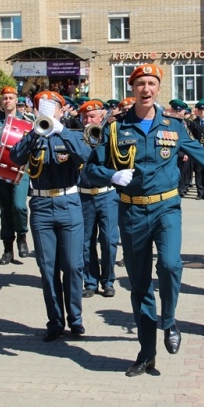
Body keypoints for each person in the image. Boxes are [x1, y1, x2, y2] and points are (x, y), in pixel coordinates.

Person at [84, 63, 204, 377]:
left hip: (167, 208)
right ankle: (147, 353)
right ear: (132, 88)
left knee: (171, 265)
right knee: (140, 284)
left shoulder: (174, 126)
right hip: (130, 211)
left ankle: (169, 320)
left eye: (151, 83)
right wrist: (111, 174)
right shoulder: (116, 128)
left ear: (159, 88)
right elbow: (90, 170)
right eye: (140, 83)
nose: (146, 89)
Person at [10, 91, 91, 341]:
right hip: (42, 204)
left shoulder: (72, 134)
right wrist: (35, 132)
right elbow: (15, 157)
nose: (46, 111)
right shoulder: (32, 136)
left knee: (73, 265)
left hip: (69, 202)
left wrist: (61, 130)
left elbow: (86, 156)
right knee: (47, 268)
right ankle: (55, 321)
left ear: (61, 111)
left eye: (51, 106)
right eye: (41, 107)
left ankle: (75, 318)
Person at [76, 99, 120, 298]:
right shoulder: (75, 137)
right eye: (85, 116)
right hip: (84, 196)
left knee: (109, 240)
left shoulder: (110, 136)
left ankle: (108, 280)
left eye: (92, 116)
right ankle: (90, 282)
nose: (88, 120)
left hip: (106, 194)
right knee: (86, 242)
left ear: (102, 116)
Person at [0, 86, 31, 265]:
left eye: (10, 97)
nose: (7, 101)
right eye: (5, 98)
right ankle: (7, 249)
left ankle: (22, 236)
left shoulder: (27, 121)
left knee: (19, 207)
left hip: (21, 171)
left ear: (17, 100)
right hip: (0, 171)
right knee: (5, 210)